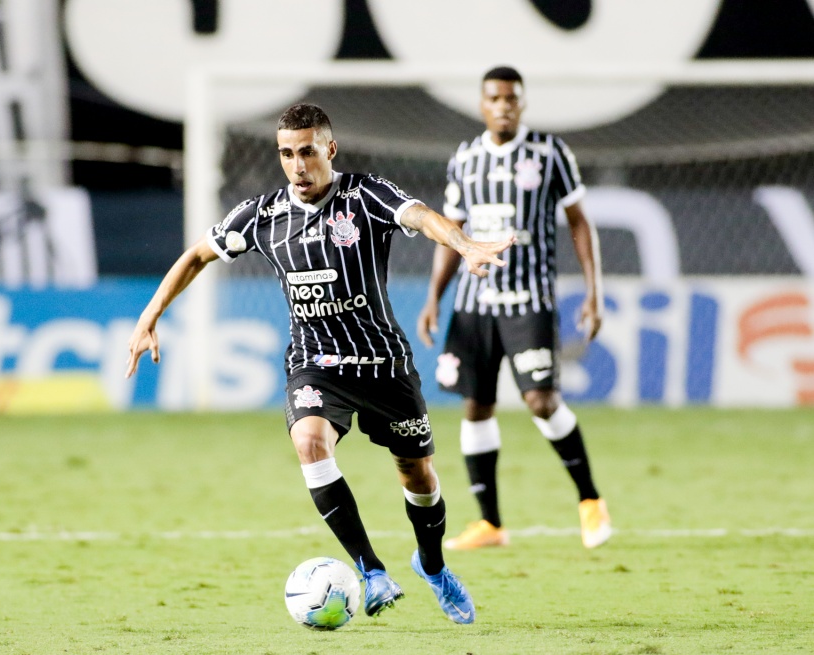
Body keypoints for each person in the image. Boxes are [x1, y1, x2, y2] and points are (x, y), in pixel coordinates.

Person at [125, 103, 516, 624]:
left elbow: (420, 216)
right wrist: (149, 315)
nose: (297, 165)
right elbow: (198, 254)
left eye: (307, 151)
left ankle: (433, 565)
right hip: (316, 366)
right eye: (286, 154)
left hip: (383, 365)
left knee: (418, 476)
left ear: (329, 149)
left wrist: (465, 244)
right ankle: (371, 570)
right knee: (309, 441)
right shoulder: (262, 216)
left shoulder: (364, 195)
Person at [416, 66, 612, 551]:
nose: (503, 105)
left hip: (529, 301)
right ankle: (490, 524)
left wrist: (594, 290)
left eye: (511, 98)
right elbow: (450, 231)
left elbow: (579, 223)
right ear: (482, 104)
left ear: (521, 103)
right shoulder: (464, 158)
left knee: (541, 401)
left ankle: (590, 501)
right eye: (494, 98)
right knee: (475, 406)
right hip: (473, 303)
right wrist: (433, 297)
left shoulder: (549, 153)